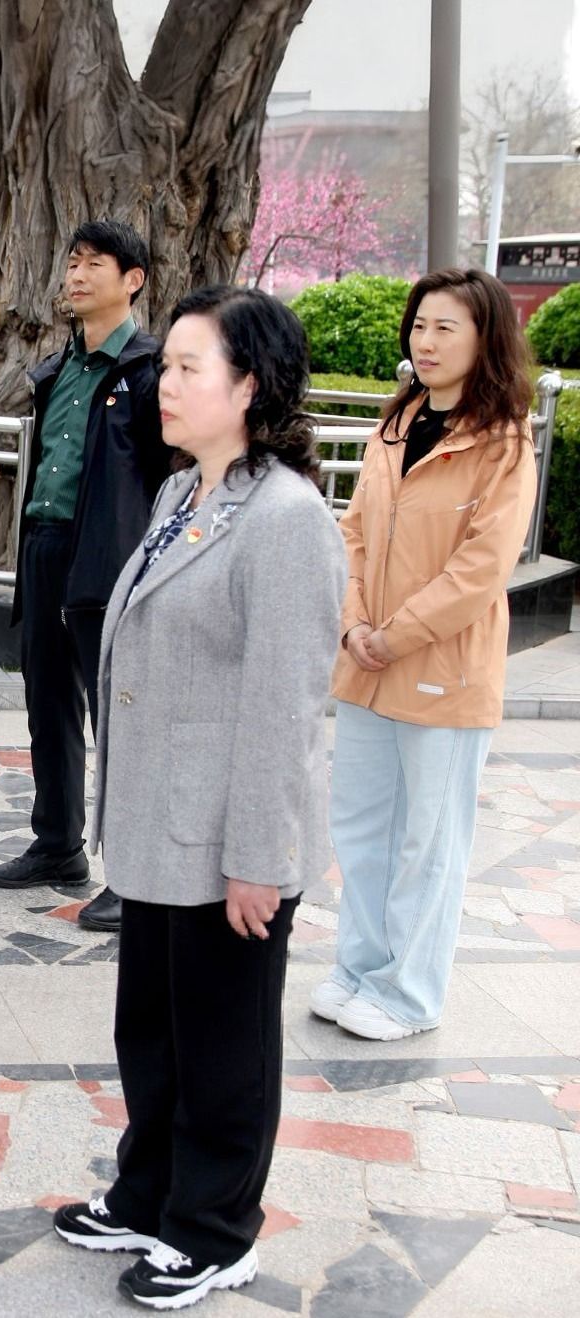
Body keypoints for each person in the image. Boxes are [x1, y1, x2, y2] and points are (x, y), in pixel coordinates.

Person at [51, 286, 342, 1310]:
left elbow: (285, 707)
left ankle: (215, 1230)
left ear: (248, 386)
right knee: (153, 1029)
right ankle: (149, 1192)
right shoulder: (184, 490)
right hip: (158, 823)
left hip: (227, 840)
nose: (162, 385)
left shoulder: (287, 519)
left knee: (223, 1045)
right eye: (164, 365)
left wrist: (261, 857)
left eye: (186, 367)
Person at [322, 268, 538, 1041]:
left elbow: (482, 568)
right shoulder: (399, 420)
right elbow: (353, 531)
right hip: (366, 663)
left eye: (447, 327)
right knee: (361, 831)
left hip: (444, 670)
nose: (428, 340)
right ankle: (359, 970)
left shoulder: (503, 441)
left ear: (486, 339)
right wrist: (353, 624)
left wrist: (396, 633)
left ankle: (409, 995)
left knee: (430, 843)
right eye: (420, 325)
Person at [0, 220, 168, 934]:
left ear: (133, 280)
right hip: (45, 546)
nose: (77, 274)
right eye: (72, 262)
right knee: (48, 703)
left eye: (95, 263)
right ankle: (58, 843)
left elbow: (163, 476)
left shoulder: (148, 372)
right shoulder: (58, 367)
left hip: (107, 557)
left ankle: (133, 872)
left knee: (115, 714)